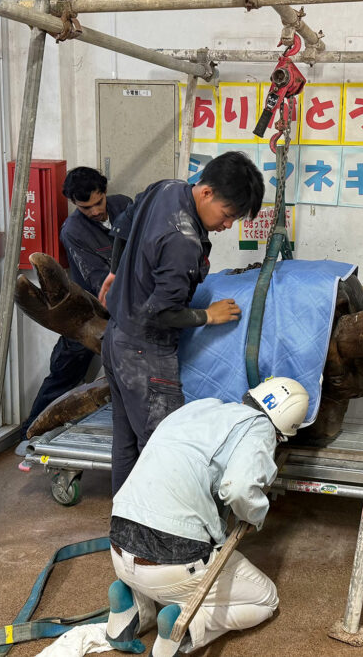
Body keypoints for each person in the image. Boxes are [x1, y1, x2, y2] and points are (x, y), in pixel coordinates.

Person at [104, 376, 309, 657]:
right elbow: (238, 490)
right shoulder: (259, 427)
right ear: (281, 432)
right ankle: (185, 628)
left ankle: (128, 612)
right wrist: (255, 515)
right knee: (266, 599)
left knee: (150, 571)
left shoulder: (200, 407)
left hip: (117, 543)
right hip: (171, 566)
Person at [101, 151, 265, 494]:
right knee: (165, 448)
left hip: (115, 337)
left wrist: (116, 270)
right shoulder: (183, 241)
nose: (227, 226)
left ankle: (125, 525)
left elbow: (123, 224)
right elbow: (160, 313)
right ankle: (156, 537)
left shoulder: (167, 188)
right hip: (144, 354)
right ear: (206, 193)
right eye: (227, 215)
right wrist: (210, 315)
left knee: (126, 441)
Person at [21, 167, 132, 437]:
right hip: (88, 314)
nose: (95, 211)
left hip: (128, 308)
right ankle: (30, 434)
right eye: (86, 208)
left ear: (105, 193)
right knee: (64, 374)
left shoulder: (125, 205)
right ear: (74, 203)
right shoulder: (72, 231)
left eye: (98, 203)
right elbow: (97, 278)